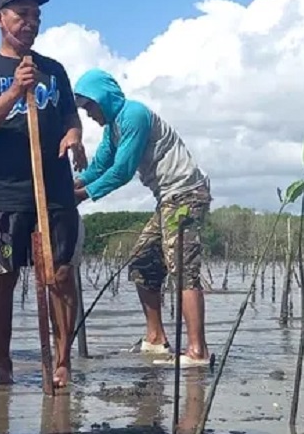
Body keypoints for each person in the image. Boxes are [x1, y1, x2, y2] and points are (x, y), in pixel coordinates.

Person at [0, 0, 86, 389]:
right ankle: (2, 363)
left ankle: (62, 362)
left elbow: (70, 117)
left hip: (55, 191)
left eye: (36, 17)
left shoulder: (55, 70)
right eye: (22, 15)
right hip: (4, 192)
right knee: (2, 279)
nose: (31, 23)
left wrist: (74, 137)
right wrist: (15, 89)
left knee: (61, 275)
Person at [72, 69, 212, 366]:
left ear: (104, 98)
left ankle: (198, 351)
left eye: (90, 106)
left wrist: (82, 196)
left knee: (183, 268)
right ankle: (156, 339)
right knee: (142, 262)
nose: (89, 114)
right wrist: (65, 186)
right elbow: (98, 168)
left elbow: (122, 170)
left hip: (187, 193)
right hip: (167, 200)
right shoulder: (113, 129)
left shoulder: (133, 114)